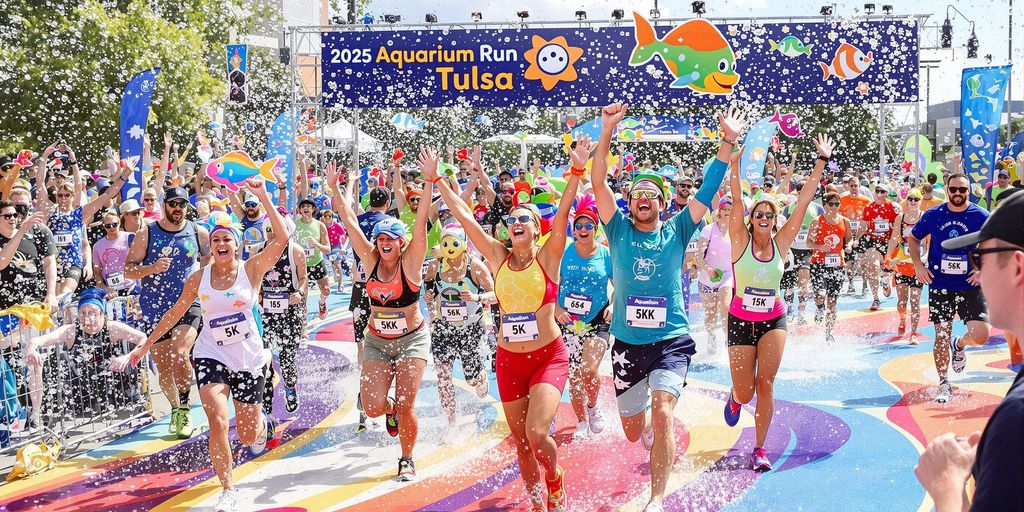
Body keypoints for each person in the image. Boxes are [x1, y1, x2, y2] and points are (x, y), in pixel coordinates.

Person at [591, 102, 745, 512]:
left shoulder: (679, 229)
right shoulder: (617, 229)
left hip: (671, 341)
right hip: (626, 345)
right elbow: (597, 180)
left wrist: (727, 141)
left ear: (662, 203)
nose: (644, 198)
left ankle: (656, 499)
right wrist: (607, 130)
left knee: (663, 413)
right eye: (637, 193)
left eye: (652, 194)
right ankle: (641, 428)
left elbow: (709, 188)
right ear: (630, 202)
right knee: (633, 429)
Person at [427, 138, 585, 512]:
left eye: (523, 220)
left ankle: (554, 478)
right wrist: (439, 182)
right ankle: (534, 502)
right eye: (511, 220)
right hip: (508, 360)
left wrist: (577, 172)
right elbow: (465, 217)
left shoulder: (549, 256)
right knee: (521, 441)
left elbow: (562, 216)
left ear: (534, 229)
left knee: (537, 432)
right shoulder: (497, 255)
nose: (515, 223)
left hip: (548, 357)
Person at [116, 179, 287, 512]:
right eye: (217, 239)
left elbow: (281, 239)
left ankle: (262, 423)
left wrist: (264, 196)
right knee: (218, 422)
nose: (221, 243)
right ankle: (227, 488)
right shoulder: (198, 278)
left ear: (235, 245)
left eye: (227, 239)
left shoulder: (250, 269)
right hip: (213, 353)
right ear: (212, 246)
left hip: (247, 356)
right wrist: (144, 346)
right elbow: (173, 315)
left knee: (250, 432)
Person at [722, 134, 833, 472]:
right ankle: (735, 397)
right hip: (740, 320)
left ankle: (759, 447)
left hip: (773, 320)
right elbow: (738, 200)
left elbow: (802, 202)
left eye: (770, 214)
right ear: (752, 218)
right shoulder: (739, 238)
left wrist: (821, 162)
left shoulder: (782, 242)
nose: (766, 218)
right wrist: (736, 161)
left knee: (766, 383)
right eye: (760, 213)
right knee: (744, 391)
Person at [328, 153, 434, 483]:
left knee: (406, 404)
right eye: (381, 239)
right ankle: (389, 411)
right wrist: (335, 189)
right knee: (372, 407)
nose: (384, 243)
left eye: (391, 239)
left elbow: (420, 224)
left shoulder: (411, 261)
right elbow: (348, 219)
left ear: (401, 243)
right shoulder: (370, 258)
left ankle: (406, 458)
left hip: (412, 340)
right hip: (376, 341)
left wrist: (430, 181)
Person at [915, 192, 1024, 512]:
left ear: (1017, 266)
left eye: (981, 259)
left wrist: (946, 484)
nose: (978, 272)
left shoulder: (1017, 418)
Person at [125, 186, 211, 438]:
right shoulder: (147, 233)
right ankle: (175, 409)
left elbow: (209, 259)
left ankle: (185, 408)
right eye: (173, 203)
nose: (178, 209)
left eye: (182, 204)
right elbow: (128, 270)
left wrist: (200, 280)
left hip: (186, 304)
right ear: (164, 205)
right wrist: (151, 268)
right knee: (164, 369)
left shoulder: (198, 232)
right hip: (155, 307)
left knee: (180, 354)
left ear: (188, 206)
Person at [908, 173, 991, 404]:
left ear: (969, 191)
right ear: (946, 189)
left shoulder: (981, 215)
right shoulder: (933, 215)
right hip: (940, 284)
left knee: (981, 336)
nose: (957, 194)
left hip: (970, 285)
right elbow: (913, 239)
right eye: (953, 189)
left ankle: (960, 344)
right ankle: (944, 382)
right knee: (941, 334)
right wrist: (918, 265)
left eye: (962, 190)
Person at [423, 224, 494, 425]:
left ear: (463, 243)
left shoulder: (475, 266)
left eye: (455, 242)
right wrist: (430, 294)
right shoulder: (435, 265)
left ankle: (480, 378)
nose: (450, 247)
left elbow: (495, 294)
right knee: (443, 376)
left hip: (471, 328)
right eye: (446, 242)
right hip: (444, 328)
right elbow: (429, 284)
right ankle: (451, 423)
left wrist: (476, 297)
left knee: (471, 378)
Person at [555, 199, 613, 440]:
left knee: (589, 370)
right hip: (567, 322)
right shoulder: (564, 251)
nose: (583, 230)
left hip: (597, 319)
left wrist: (615, 304)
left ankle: (593, 407)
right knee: (574, 376)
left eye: (589, 225)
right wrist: (557, 308)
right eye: (579, 225)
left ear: (596, 229)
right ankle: (580, 421)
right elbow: (549, 283)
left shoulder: (605, 254)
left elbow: (619, 284)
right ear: (573, 229)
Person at [259, 212, 307, 414]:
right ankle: (266, 401)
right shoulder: (257, 250)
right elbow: (252, 279)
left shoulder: (295, 251)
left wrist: (300, 292)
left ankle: (290, 386)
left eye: (276, 229)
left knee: (287, 357)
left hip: (290, 311)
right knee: (264, 357)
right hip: (266, 313)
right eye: (268, 230)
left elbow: (304, 278)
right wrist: (257, 294)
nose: (272, 234)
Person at [806, 192, 854, 342]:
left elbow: (849, 238)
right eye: (831, 204)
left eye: (837, 204)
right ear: (825, 205)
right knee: (820, 296)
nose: (834, 207)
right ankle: (819, 308)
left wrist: (849, 247)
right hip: (818, 264)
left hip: (837, 264)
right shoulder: (817, 221)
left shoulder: (845, 221)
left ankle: (828, 333)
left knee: (832, 301)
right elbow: (809, 243)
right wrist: (820, 247)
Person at [695, 197, 734, 354]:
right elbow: (698, 256)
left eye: (730, 210)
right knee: (710, 316)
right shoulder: (709, 229)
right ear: (719, 211)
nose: (727, 212)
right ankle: (712, 338)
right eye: (724, 209)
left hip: (727, 275)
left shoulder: (737, 230)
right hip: (707, 277)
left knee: (725, 308)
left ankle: (728, 342)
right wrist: (707, 268)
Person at [886, 189, 924, 343]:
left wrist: (923, 260)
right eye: (910, 199)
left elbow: (928, 244)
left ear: (921, 201)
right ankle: (902, 319)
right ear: (907, 201)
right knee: (902, 302)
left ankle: (913, 333)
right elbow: (894, 239)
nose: (913, 202)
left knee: (915, 301)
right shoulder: (900, 218)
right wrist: (888, 256)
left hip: (918, 267)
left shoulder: (924, 218)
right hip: (902, 265)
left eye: (916, 199)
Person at [857, 183, 899, 310]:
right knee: (872, 267)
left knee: (888, 269)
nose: (879, 194)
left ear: (887, 193)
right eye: (877, 191)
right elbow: (863, 225)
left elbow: (899, 224)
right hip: (872, 240)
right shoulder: (869, 207)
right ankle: (875, 298)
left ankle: (885, 281)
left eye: (882, 191)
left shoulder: (893, 207)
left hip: (889, 241)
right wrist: (856, 239)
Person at [295, 198, 331, 320]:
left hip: (316, 262)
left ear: (313, 209)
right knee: (302, 296)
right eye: (303, 206)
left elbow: (328, 249)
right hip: (301, 264)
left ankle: (322, 303)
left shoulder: (320, 225)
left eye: (309, 206)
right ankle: (303, 328)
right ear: (299, 210)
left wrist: (317, 244)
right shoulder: (294, 225)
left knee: (326, 290)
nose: (306, 208)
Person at [92, 209, 136, 296]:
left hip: (132, 286)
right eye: (108, 226)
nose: (111, 227)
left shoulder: (131, 237)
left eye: (114, 224)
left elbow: (140, 262)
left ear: (119, 223)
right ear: (103, 226)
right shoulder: (97, 246)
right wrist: (104, 288)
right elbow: (97, 272)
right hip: (111, 290)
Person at [839, 176, 870, 296]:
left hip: (862, 234)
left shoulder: (866, 200)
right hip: (847, 235)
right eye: (851, 186)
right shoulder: (842, 199)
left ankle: (865, 285)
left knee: (863, 261)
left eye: (855, 186)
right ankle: (851, 283)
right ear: (848, 186)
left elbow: (868, 218)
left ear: (859, 186)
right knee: (849, 262)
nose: (853, 188)